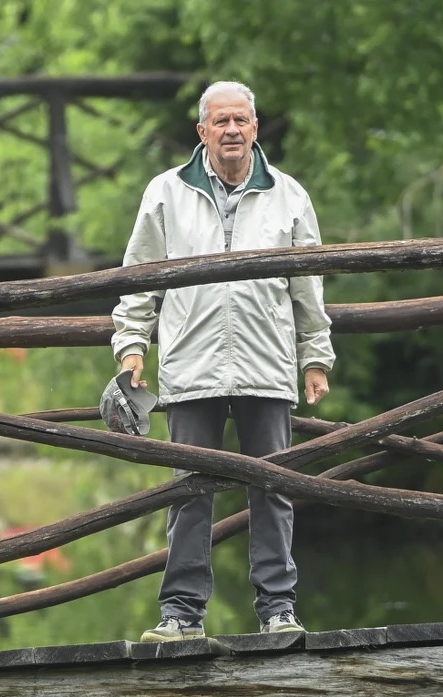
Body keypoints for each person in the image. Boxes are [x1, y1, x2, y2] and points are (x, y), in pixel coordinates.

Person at [111, 81, 335, 643]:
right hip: (191, 363)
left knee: (273, 489)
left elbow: (308, 287)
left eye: (241, 121)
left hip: (267, 363)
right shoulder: (165, 192)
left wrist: (315, 356)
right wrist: (132, 346)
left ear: (255, 129)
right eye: (222, 122)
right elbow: (138, 280)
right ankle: (181, 614)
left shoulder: (289, 196)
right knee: (190, 491)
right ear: (203, 131)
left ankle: (278, 609)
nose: (232, 130)